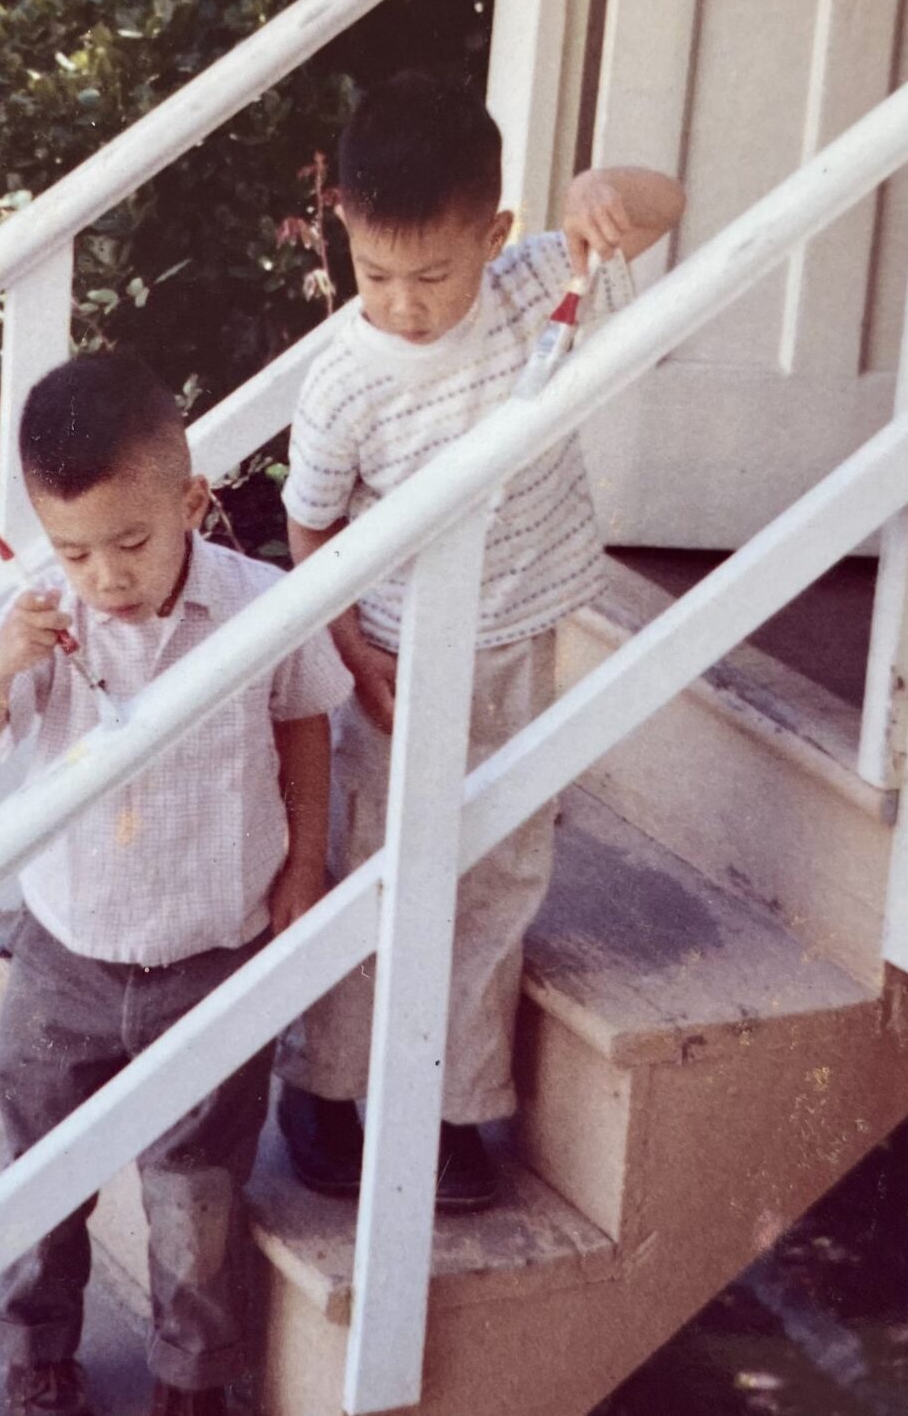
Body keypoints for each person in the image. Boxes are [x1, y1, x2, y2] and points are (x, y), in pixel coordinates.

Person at [272, 70, 687, 1211]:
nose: (404, 302)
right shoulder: (346, 381)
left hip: (520, 638)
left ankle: (452, 1102)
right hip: (397, 660)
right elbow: (310, 529)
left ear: (494, 235)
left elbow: (664, 209)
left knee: (501, 864)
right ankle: (328, 1083)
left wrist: (607, 190)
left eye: (434, 273)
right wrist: (355, 659)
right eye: (376, 274)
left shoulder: (525, 290)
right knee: (380, 865)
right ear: (343, 233)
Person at [0, 352, 354, 1416]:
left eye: (130, 541)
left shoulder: (260, 604)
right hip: (66, 953)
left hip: (210, 954)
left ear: (192, 502)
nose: (108, 576)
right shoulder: (46, 616)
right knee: (41, 1173)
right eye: (76, 551)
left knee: (195, 1191)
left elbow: (303, 720)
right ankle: (38, 1355)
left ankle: (191, 1378)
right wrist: (2, 653)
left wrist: (305, 866)